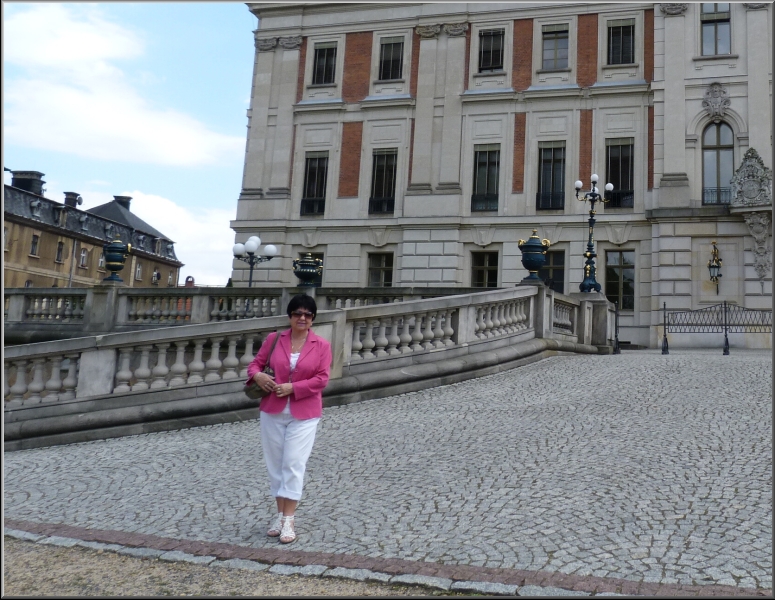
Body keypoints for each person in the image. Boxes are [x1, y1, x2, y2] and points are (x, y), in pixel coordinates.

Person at [247, 294, 332, 544]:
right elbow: (255, 365)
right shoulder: (274, 339)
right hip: (272, 410)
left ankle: (289, 519)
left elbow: (322, 379)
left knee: (293, 463)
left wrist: (294, 388)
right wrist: (258, 376)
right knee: (275, 465)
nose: (302, 318)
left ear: (313, 319)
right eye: (297, 313)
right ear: (290, 316)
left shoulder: (321, 345)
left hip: (304, 413)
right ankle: (279, 515)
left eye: (307, 314)